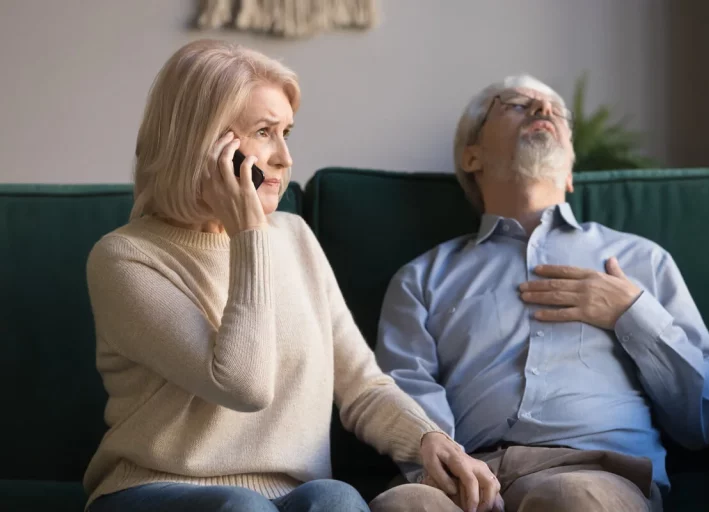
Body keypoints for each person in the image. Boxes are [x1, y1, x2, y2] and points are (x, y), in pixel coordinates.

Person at [83, 39, 501, 512]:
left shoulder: (295, 236)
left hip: (288, 496)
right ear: (202, 142)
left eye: (286, 133)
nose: (285, 156)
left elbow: (362, 385)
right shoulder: (124, 258)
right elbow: (244, 387)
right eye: (264, 132)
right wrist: (248, 234)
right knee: (243, 509)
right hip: (156, 488)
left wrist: (428, 438)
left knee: (337, 498)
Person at [374, 74, 709, 512]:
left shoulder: (642, 261)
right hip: (463, 477)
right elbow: (403, 393)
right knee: (404, 504)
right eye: (516, 104)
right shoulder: (421, 278)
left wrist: (632, 313)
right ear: (472, 155)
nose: (543, 110)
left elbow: (704, 419)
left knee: (570, 499)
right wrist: (452, 465)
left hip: (596, 472)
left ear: (570, 172)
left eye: (556, 111)